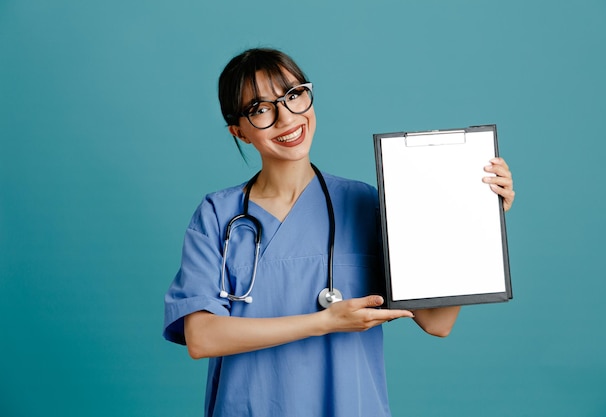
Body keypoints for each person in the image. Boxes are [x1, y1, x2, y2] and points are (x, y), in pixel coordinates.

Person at [163, 48, 515, 417]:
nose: (286, 117)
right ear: (239, 131)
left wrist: (475, 220)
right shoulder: (218, 215)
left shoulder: (365, 204)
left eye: (294, 95)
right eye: (261, 109)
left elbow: (438, 322)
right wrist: (324, 323)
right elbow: (202, 337)